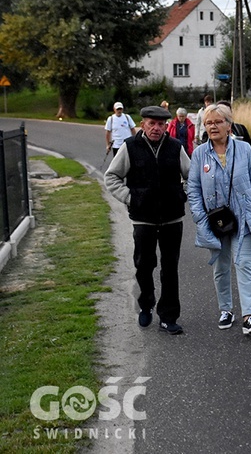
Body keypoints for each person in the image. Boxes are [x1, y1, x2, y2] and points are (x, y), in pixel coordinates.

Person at [105, 105, 190, 335]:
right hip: (143, 218)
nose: (156, 128)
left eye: (161, 124)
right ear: (143, 124)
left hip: (172, 218)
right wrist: (131, 198)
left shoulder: (175, 147)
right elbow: (112, 177)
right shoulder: (130, 147)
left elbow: (191, 175)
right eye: (151, 124)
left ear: (166, 126)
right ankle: (146, 304)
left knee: (170, 268)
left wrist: (183, 194)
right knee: (144, 265)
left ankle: (168, 316)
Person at [187, 103, 251, 335]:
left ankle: (250, 316)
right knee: (221, 267)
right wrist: (200, 217)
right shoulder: (200, 153)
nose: (213, 126)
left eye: (217, 122)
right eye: (209, 123)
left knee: (243, 263)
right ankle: (226, 309)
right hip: (216, 221)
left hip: (244, 218)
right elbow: (193, 188)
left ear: (229, 126)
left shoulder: (244, 149)